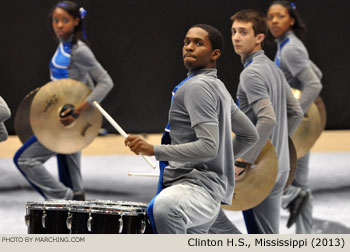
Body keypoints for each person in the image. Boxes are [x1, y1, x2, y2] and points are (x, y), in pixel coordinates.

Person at [124, 24, 259, 234]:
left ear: (215, 54)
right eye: (186, 42)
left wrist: (154, 150)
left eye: (198, 43)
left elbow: (208, 147)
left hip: (194, 189)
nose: (189, 47)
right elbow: (250, 135)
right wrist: (217, 162)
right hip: (204, 192)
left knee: (164, 208)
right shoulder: (218, 87)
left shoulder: (197, 87)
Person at [210, 9, 303, 234]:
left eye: (243, 32)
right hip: (279, 166)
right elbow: (296, 112)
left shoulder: (251, 74)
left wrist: (243, 161)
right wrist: (277, 145)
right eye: (233, 32)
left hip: (258, 171)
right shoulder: (274, 69)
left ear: (259, 37)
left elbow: (268, 119)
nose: (236, 37)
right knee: (267, 237)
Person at [14, 1, 114, 200]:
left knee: (25, 159)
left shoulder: (79, 51)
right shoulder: (64, 45)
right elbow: (74, 83)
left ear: (76, 21)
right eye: (55, 20)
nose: (59, 25)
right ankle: (75, 201)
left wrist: (79, 110)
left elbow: (105, 82)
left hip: (69, 119)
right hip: (61, 117)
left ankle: (65, 197)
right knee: (71, 171)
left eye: (65, 20)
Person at [267, 0, 323, 233]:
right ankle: (306, 237)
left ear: (291, 20)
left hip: (294, 125)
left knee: (268, 178)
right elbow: (317, 72)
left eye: (280, 16)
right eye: (270, 17)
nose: (273, 21)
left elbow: (313, 83)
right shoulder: (288, 45)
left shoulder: (290, 48)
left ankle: (291, 197)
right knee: (300, 184)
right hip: (300, 125)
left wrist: (295, 114)